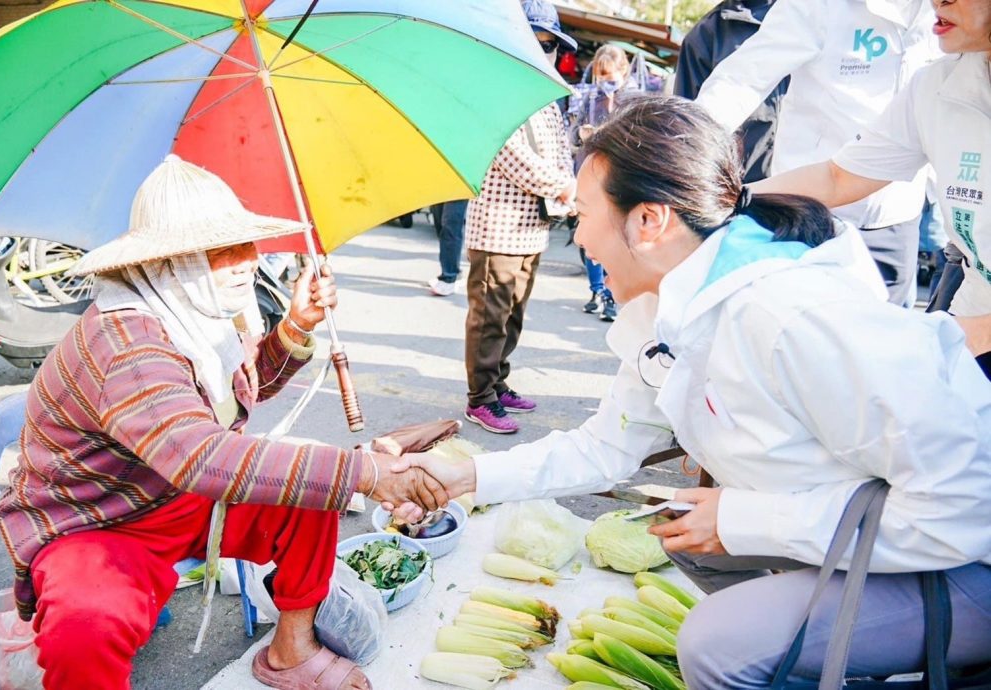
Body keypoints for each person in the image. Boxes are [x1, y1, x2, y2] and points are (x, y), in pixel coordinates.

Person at [394, 96, 991, 686]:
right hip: (873, 526)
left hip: (963, 559)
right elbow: (605, 447)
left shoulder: (793, 318)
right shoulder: (669, 310)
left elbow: (964, 506)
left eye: (583, 215)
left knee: (717, 644)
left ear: (649, 220)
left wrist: (747, 518)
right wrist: (469, 479)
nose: (578, 239)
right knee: (683, 535)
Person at [0, 156, 448, 690]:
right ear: (166, 261)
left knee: (309, 492)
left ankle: (291, 651)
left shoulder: (192, 314)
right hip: (100, 521)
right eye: (220, 251)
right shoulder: (129, 344)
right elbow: (202, 456)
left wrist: (295, 326)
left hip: (173, 494)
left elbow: (232, 396)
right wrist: (366, 472)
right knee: (87, 624)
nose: (246, 262)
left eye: (246, 245)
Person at [753, 0, 991, 380]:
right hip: (972, 317)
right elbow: (838, 177)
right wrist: (732, 199)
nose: (937, 2)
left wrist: (965, 335)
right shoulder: (934, 87)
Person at [694, 0, 942, 306]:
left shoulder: (947, 11)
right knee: (799, 331)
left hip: (896, 216)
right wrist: (689, 150)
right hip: (810, 208)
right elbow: (743, 78)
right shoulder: (818, 5)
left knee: (887, 341)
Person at [462, 0, 576, 435]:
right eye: (537, 40)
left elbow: (559, 150)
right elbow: (512, 155)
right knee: (490, 317)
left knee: (512, 315)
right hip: (498, 226)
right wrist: (564, 186)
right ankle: (480, 398)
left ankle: (498, 384)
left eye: (549, 43)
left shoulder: (544, 90)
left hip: (532, 227)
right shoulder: (496, 88)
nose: (544, 50)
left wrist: (566, 186)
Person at [673, 0, 788, 184]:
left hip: (814, 186)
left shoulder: (811, 16)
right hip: (740, 193)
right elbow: (688, 135)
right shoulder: (704, 37)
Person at [568, 44, 641, 322]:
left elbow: (636, 143)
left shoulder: (634, 100)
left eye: (609, 76)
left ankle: (612, 296)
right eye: (600, 76)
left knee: (614, 239)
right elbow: (573, 135)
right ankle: (596, 290)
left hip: (619, 178)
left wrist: (604, 135)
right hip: (590, 177)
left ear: (623, 71)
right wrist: (584, 135)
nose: (605, 83)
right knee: (589, 239)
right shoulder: (591, 98)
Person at [427, 199, 467, 296]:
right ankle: (454, 272)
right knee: (441, 224)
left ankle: (449, 277)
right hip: (441, 185)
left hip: (461, 187)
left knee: (451, 223)